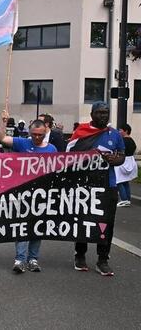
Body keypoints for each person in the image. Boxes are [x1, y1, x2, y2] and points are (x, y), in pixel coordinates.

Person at [66, 101, 124, 276]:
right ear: (92, 114)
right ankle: (80, 255)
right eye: (99, 113)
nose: (103, 116)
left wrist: (117, 160)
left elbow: (121, 155)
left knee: (107, 223)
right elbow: (69, 156)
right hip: (85, 186)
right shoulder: (80, 132)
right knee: (83, 220)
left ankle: (103, 259)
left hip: (108, 185)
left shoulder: (115, 134)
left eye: (106, 112)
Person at [0, 111, 57, 274]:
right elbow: (1, 138)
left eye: (40, 135)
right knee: (23, 227)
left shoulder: (52, 149)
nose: (37, 138)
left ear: (45, 132)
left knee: (37, 227)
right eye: (34, 135)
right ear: (29, 133)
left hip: (42, 195)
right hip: (23, 194)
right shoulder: (22, 143)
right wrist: (4, 122)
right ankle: (20, 259)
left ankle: (33, 259)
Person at [115, 123, 137, 207]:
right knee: (125, 181)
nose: (119, 132)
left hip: (123, 161)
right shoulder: (132, 140)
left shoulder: (123, 141)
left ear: (126, 131)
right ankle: (128, 199)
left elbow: (118, 150)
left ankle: (124, 199)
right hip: (130, 161)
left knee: (119, 181)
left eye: (120, 130)